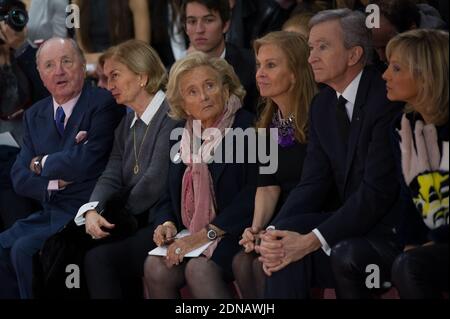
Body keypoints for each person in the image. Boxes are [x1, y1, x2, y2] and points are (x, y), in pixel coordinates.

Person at [257, 9, 403, 299]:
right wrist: (271, 231)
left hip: (388, 230)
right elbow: (312, 182)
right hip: (349, 224)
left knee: (298, 243)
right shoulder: (322, 105)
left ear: (353, 54)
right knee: (283, 236)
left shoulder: (385, 99)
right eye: (311, 48)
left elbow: (377, 193)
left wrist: (312, 239)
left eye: (322, 47)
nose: (311, 57)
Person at [0, 37, 124, 299]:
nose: (59, 71)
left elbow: (87, 159)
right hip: (51, 209)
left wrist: (41, 163)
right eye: (49, 65)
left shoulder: (102, 103)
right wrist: (52, 183)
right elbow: (19, 176)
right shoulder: (35, 114)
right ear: (41, 75)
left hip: (87, 210)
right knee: (2, 245)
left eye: (66, 61)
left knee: (23, 249)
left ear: (81, 66)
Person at [143, 52, 256, 299]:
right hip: (191, 235)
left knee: (198, 269)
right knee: (154, 266)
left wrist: (204, 235)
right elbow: (166, 194)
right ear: (182, 104)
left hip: (234, 233)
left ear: (225, 89)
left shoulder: (247, 128)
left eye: (210, 86)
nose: (204, 97)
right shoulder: (179, 135)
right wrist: (167, 224)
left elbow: (251, 198)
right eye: (192, 92)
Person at [72, 39, 177, 299]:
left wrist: (112, 215)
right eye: (107, 78)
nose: (108, 86)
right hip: (132, 217)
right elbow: (112, 171)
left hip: (162, 220)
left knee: (99, 259)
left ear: (142, 76)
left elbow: (155, 180)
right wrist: (93, 209)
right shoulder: (128, 119)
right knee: (68, 246)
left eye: (115, 76)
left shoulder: (172, 115)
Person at [232, 31, 317, 299]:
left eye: (271, 65)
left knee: (262, 263)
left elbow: (317, 188)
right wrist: (255, 228)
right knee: (241, 262)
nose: (260, 73)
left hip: (312, 215)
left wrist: (270, 232)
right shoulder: (270, 122)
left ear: (295, 72)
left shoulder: (319, 115)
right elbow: (267, 186)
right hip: (280, 221)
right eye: (258, 65)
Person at [383, 29, 448, 299]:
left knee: (410, 266)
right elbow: (408, 196)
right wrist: (411, 242)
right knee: (405, 260)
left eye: (396, 69)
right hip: (434, 235)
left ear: (427, 75)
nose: (385, 75)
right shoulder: (404, 126)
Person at [182, 0, 258, 114]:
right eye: (192, 21)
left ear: (225, 25)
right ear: (185, 27)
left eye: (208, 20)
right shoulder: (175, 75)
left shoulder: (252, 65)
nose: (199, 30)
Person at [73, 0, 150, 71]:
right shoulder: (78, 2)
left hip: (125, 67)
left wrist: (101, 58)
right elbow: (80, 47)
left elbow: (142, 51)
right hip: (90, 69)